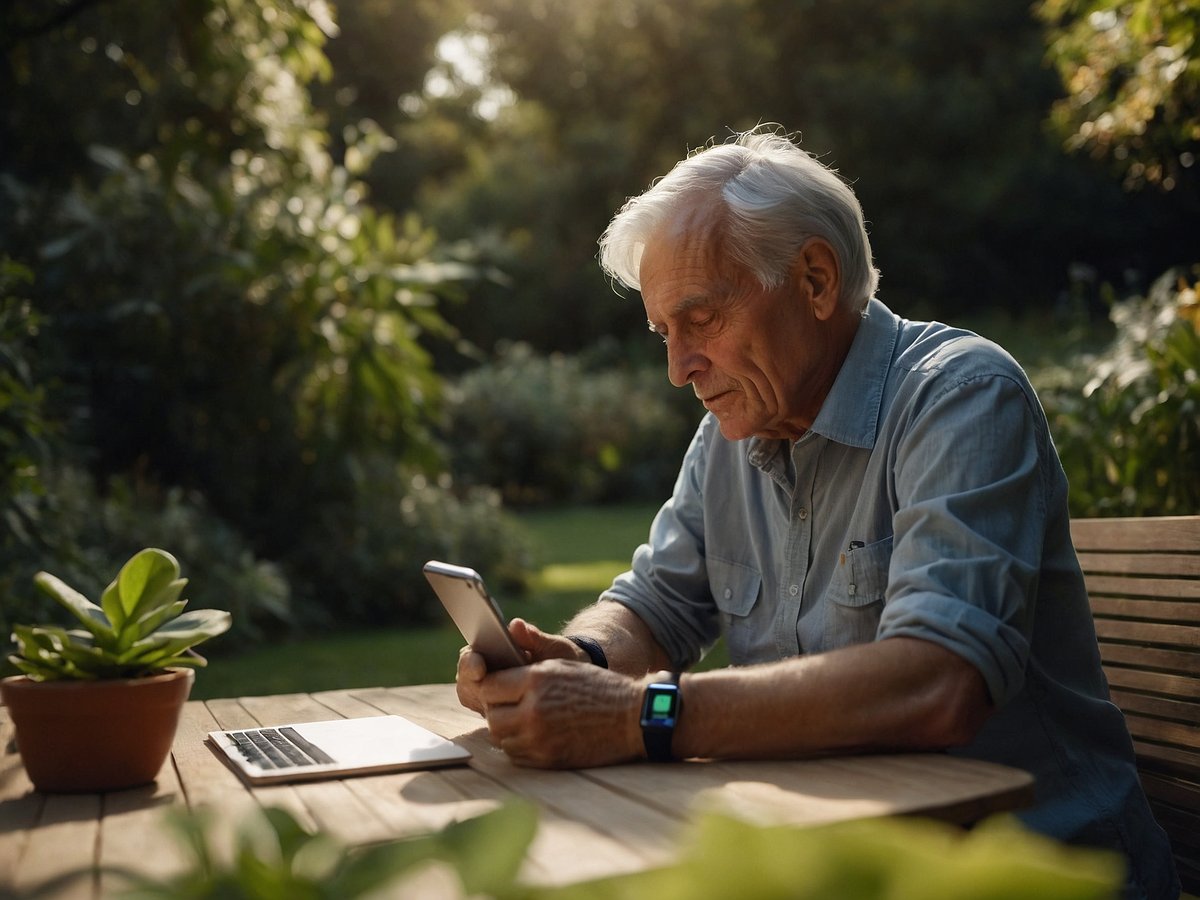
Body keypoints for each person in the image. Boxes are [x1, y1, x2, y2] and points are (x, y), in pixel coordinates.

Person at [455, 128, 1179, 899]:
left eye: (700, 320)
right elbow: (656, 606)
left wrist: (641, 715)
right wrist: (580, 659)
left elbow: (939, 681)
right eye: (665, 333)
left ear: (815, 280)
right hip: (846, 867)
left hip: (1027, 874)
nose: (678, 369)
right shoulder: (732, 435)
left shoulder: (961, 397)